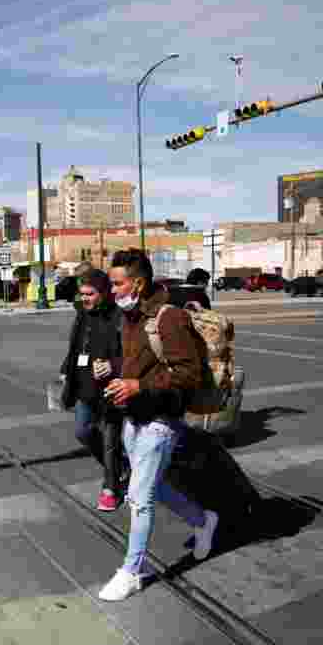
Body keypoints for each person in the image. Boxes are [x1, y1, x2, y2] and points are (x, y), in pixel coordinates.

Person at [98, 248, 219, 602]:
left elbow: (189, 374)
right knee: (155, 488)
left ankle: (132, 571)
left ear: (138, 282)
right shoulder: (131, 316)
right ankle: (202, 521)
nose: (113, 290)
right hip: (133, 416)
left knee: (139, 499)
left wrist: (140, 386)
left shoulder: (170, 318)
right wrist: (114, 368)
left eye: (117, 283)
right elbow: (139, 360)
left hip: (160, 420)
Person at [59, 268, 126, 512]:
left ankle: (111, 487)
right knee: (82, 432)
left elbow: (133, 355)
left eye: (90, 294)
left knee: (110, 440)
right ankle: (118, 468)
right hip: (84, 386)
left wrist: (112, 365)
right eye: (82, 293)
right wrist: (66, 368)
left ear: (105, 293)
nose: (84, 298)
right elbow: (75, 346)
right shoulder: (82, 314)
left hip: (111, 390)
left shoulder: (119, 315)